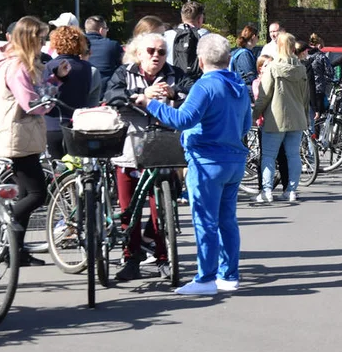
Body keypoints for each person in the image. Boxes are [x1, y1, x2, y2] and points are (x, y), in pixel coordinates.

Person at [136, 34, 252, 296]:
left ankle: (206, 278)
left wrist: (150, 103)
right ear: (229, 58)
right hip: (234, 161)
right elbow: (245, 125)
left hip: (206, 161)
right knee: (227, 221)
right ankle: (229, 275)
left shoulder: (204, 86)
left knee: (205, 222)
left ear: (200, 61)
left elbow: (183, 119)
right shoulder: (240, 87)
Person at [0, 17, 71, 267]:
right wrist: (49, 102)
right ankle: (6, 218)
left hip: (22, 137)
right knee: (36, 193)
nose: (43, 44)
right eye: (41, 39)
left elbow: (40, 90)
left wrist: (56, 78)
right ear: (29, 39)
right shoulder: (18, 67)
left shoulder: (26, 64)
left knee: (25, 192)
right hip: (16, 138)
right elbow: (31, 102)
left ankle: (16, 252)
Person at [104, 33, 184, 281]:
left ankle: (163, 257)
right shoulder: (123, 72)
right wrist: (140, 94)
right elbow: (112, 96)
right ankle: (131, 258)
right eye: (151, 51)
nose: (156, 56)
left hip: (163, 145)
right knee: (129, 210)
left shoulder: (175, 74)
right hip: (130, 146)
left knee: (161, 207)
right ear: (139, 53)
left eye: (161, 52)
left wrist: (171, 93)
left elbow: (191, 91)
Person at [252, 32, 308, 203]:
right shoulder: (301, 68)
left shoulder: (272, 68)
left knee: (268, 155)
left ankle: (266, 191)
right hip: (297, 117)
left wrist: (255, 115)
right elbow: (305, 97)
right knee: (293, 155)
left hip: (275, 118)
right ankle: (291, 190)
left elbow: (264, 95)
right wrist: (305, 116)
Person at [43, 26, 94, 159]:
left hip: (53, 124)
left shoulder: (50, 66)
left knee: (56, 171)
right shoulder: (87, 67)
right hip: (78, 124)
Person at [165, 1, 209, 89]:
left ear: (182, 17)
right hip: (198, 85)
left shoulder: (166, 35)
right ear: (200, 18)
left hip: (172, 86)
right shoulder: (206, 36)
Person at [84, 16, 123, 87]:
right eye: (106, 29)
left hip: (82, 87)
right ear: (101, 30)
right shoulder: (112, 45)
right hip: (105, 90)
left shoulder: (78, 45)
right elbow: (122, 67)